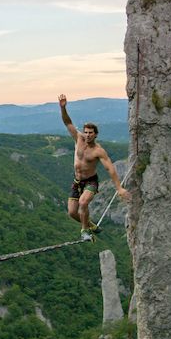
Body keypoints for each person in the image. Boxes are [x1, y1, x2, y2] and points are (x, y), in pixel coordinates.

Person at [58, 94, 131, 241]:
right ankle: (90, 225)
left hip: (91, 181)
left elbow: (110, 168)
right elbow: (67, 122)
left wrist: (119, 188)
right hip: (77, 181)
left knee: (83, 203)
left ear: (95, 135)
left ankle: (85, 231)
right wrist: (63, 108)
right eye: (85, 132)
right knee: (72, 213)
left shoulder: (99, 151)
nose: (87, 135)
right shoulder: (78, 139)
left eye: (90, 133)